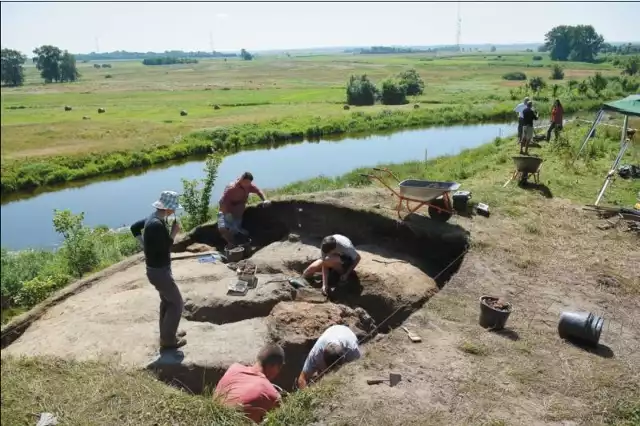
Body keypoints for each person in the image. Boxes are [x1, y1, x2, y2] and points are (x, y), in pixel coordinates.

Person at [130, 190, 186, 350]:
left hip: (156, 270)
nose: (175, 210)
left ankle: (167, 334)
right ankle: (168, 340)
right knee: (176, 303)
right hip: (159, 272)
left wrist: (143, 245)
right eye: (174, 207)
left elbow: (134, 227)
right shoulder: (156, 225)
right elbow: (164, 248)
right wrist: (174, 233)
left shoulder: (152, 218)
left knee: (167, 302)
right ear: (168, 208)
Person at [214, 344, 285, 423]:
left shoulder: (234, 368)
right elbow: (282, 417)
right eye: (279, 368)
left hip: (211, 419)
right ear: (273, 366)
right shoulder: (271, 393)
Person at [297, 324, 361, 390]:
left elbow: (358, 371)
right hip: (332, 331)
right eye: (330, 368)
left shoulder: (352, 350)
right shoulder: (315, 354)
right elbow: (302, 379)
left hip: (345, 332)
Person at [218, 172, 270, 248]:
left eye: (249, 183)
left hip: (238, 213)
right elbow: (222, 202)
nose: (247, 184)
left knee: (235, 230)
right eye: (245, 182)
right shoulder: (231, 188)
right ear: (241, 180)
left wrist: (265, 200)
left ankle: (236, 244)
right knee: (222, 228)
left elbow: (259, 191)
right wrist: (227, 214)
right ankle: (231, 243)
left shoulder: (249, 186)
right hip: (225, 211)